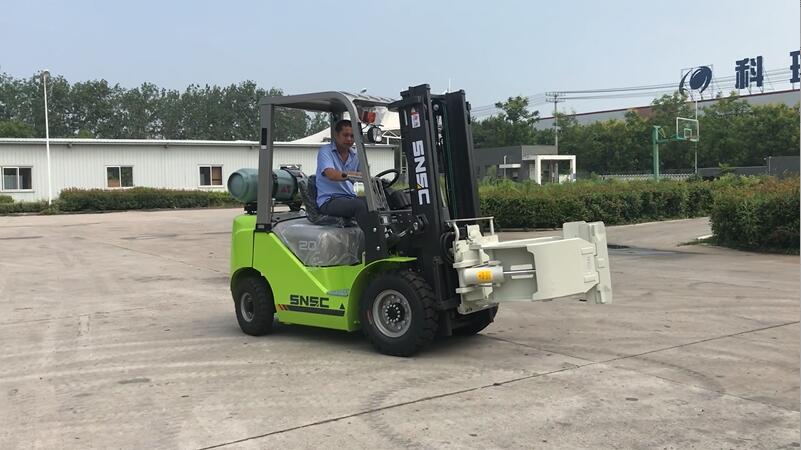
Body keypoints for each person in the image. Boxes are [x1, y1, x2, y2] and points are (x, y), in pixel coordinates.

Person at [315, 119, 368, 219]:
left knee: (377, 203)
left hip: (349, 198)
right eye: (345, 135)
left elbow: (364, 177)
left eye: (352, 136)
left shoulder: (356, 155)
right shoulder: (325, 151)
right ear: (336, 135)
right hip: (329, 200)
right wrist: (353, 175)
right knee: (359, 205)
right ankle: (370, 234)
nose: (349, 139)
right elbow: (331, 174)